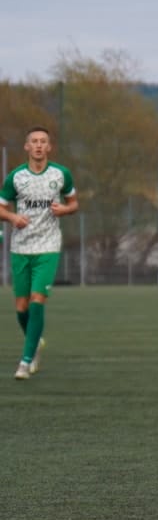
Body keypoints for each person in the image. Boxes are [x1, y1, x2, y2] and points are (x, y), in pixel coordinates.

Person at [0, 126, 78, 380]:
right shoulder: (15, 178)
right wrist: (13, 217)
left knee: (37, 300)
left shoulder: (61, 174)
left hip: (48, 245)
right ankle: (36, 342)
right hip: (21, 247)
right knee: (21, 307)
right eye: (33, 141)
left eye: (43, 141)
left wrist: (63, 210)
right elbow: (1, 208)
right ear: (26, 146)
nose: (38, 145)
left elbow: (74, 204)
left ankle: (26, 361)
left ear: (49, 147)